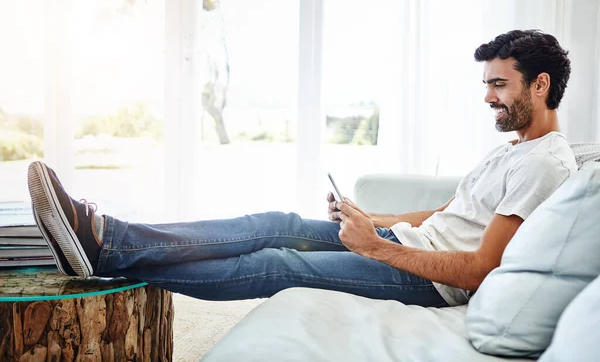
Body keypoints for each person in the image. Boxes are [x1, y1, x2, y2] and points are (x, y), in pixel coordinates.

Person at [27, 29, 576, 308]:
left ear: (540, 84)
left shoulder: (545, 164)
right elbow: (448, 214)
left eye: (498, 85)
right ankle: (107, 238)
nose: (487, 98)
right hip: (410, 243)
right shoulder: (512, 150)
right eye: (486, 85)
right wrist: (368, 218)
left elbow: (481, 269)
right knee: (274, 221)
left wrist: (375, 246)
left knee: (277, 262)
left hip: (428, 280)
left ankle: (107, 258)